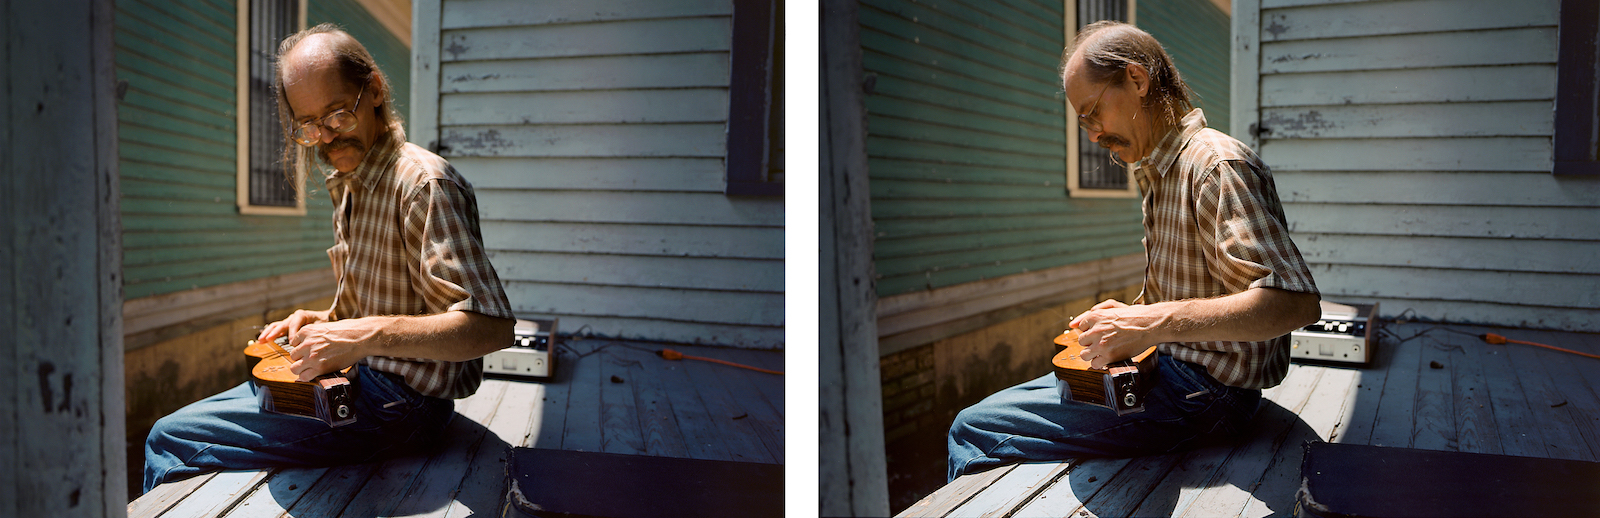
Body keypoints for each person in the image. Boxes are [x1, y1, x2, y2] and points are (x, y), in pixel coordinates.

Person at [143, 24, 515, 493]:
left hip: (403, 406)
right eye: (309, 124)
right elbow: (383, 309)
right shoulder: (351, 182)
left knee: (170, 438)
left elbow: (490, 325)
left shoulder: (423, 184)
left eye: (338, 113)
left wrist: (358, 334)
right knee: (234, 398)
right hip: (357, 385)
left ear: (375, 89)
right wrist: (321, 321)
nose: (325, 136)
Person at [945, 21, 1322, 481]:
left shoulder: (1215, 166)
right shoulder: (1161, 172)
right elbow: (1191, 299)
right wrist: (1128, 317)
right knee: (1007, 407)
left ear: (1137, 80)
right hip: (1171, 376)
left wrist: (1146, 322)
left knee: (973, 429)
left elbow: (1293, 301)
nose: (1092, 135)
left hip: (1207, 396)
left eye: (1091, 114)